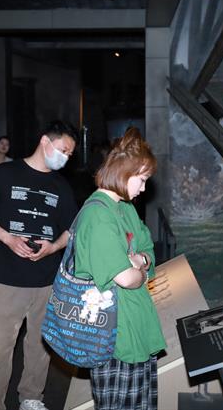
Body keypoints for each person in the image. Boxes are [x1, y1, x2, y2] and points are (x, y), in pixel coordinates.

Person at [0, 121, 78, 410]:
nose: (65, 157)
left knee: (40, 345)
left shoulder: (61, 185)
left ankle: (32, 397)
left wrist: (53, 247)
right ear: (45, 141)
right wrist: (8, 239)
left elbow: (71, 229)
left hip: (46, 280)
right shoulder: (6, 173)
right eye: (63, 150)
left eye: (69, 154)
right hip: (8, 278)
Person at [74, 128, 165, 410]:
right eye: (142, 179)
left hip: (135, 326)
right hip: (114, 336)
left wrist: (140, 262)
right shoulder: (97, 215)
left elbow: (148, 250)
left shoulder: (125, 209)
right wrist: (138, 269)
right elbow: (126, 278)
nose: (144, 188)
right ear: (123, 172)